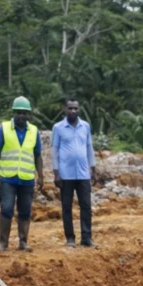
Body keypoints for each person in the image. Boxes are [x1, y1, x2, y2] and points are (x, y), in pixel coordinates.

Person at [0, 96, 44, 253]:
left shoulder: (34, 131)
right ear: (13, 113)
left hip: (27, 178)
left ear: (29, 115)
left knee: (25, 210)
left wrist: (40, 176)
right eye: (18, 112)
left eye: (24, 113)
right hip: (8, 177)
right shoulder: (4, 129)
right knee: (6, 208)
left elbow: (38, 155)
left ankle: (23, 241)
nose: (21, 115)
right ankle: (3, 243)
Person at [51, 98, 97, 248]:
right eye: (70, 108)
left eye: (75, 108)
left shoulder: (85, 126)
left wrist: (93, 169)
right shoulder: (58, 128)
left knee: (86, 206)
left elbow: (89, 147)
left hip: (83, 173)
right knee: (67, 207)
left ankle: (86, 237)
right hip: (66, 174)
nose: (73, 111)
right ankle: (70, 238)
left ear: (79, 109)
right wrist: (56, 173)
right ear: (65, 109)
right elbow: (54, 150)